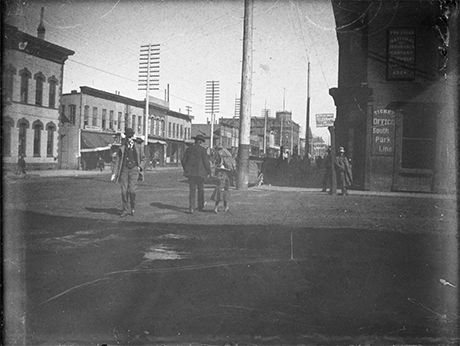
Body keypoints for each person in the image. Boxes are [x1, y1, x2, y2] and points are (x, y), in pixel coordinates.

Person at [111, 128, 146, 218]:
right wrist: (114, 173)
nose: (129, 139)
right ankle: (125, 209)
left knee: (132, 190)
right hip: (124, 170)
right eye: (128, 137)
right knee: (124, 191)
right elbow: (117, 161)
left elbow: (143, 159)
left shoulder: (138, 147)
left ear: (133, 137)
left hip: (134, 170)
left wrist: (139, 167)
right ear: (125, 137)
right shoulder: (122, 147)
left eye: (130, 137)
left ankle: (132, 207)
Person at [181, 134, 211, 214]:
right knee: (201, 189)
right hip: (200, 174)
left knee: (192, 190)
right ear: (200, 141)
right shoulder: (203, 150)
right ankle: (200, 206)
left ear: (195, 141)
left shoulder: (189, 149)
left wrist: (186, 169)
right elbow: (206, 162)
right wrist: (208, 171)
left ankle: (191, 208)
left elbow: (183, 161)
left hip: (191, 173)